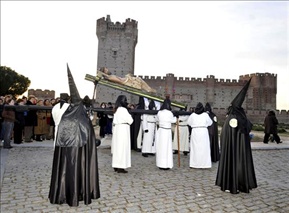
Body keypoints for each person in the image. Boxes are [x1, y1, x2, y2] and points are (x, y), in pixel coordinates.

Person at [48, 64, 100, 206]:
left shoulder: (66, 116)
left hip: (66, 154)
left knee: (64, 168)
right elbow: (89, 139)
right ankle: (80, 192)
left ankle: (62, 192)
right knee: (78, 169)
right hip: (81, 155)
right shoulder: (84, 119)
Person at [216, 78, 257, 194]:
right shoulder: (235, 118)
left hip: (237, 147)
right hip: (235, 148)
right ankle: (232, 185)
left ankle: (239, 184)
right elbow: (240, 131)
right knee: (234, 165)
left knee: (237, 165)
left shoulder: (232, 117)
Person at [111, 95, 134, 173]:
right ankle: (121, 166)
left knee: (117, 148)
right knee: (123, 148)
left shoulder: (116, 110)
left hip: (117, 129)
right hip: (123, 129)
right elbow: (130, 120)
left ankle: (116, 165)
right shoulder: (123, 110)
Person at [187, 102, 213, 169]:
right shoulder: (205, 115)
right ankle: (204, 164)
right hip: (203, 131)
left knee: (195, 148)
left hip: (195, 132)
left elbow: (189, 123)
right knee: (204, 148)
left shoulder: (193, 115)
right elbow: (210, 122)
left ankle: (195, 164)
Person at [155, 97, 177, 170]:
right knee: (167, 148)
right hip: (167, 132)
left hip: (161, 131)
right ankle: (166, 164)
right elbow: (172, 120)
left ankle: (161, 164)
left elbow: (157, 119)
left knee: (161, 148)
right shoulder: (169, 113)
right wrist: (176, 117)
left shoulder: (159, 112)